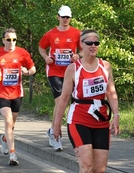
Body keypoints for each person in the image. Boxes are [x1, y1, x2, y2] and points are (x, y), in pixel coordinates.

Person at [52, 29, 120, 173]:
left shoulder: (105, 66)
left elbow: (111, 93)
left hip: (100, 120)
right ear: (80, 45)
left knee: (99, 169)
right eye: (89, 43)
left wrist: (116, 115)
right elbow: (64, 98)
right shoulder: (74, 69)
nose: (93, 46)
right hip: (79, 119)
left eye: (96, 43)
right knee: (86, 165)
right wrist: (56, 125)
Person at [0, 28, 36, 166]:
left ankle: (4, 138)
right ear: (3, 40)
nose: (11, 42)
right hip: (2, 93)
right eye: (8, 39)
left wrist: (27, 72)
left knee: (11, 125)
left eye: (14, 39)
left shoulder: (22, 53)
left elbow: (33, 69)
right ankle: (12, 154)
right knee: (8, 122)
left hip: (17, 94)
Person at [38, 5, 82, 151]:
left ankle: (52, 130)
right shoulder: (51, 34)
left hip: (70, 72)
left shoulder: (76, 33)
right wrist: (46, 57)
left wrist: (78, 56)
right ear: (58, 17)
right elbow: (41, 47)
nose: (65, 19)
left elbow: (83, 50)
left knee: (65, 104)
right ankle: (57, 135)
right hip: (54, 72)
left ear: (70, 18)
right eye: (63, 17)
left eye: (67, 17)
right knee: (60, 101)